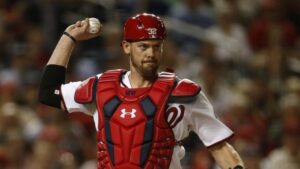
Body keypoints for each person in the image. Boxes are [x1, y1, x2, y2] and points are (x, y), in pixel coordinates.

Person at [38, 13, 245, 169]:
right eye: (143, 46)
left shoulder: (182, 93)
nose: (151, 54)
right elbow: (48, 92)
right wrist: (68, 37)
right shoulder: (102, 86)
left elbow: (219, 146)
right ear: (126, 47)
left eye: (157, 46)